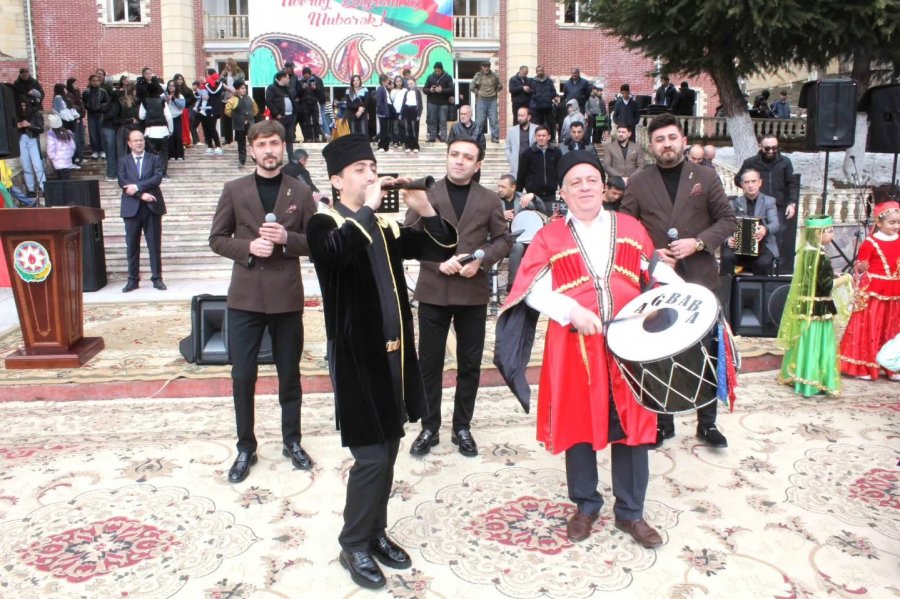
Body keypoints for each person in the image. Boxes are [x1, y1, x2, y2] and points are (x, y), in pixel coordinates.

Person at [495, 150, 677, 548]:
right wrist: (570, 310)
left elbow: (654, 271)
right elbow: (530, 288)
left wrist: (684, 295)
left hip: (629, 346)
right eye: (575, 182)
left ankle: (631, 512)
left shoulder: (630, 227)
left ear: (604, 186)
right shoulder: (550, 236)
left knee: (632, 425)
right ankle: (586, 504)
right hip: (574, 345)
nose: (585, 188)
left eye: (591, 180)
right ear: (562, 192)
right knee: (578, 422)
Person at [307, 134, 457, 591]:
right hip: (357, 359)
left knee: (389, 449)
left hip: (397, 354)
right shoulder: (324, 223)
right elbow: (336, 252)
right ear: (337, 181)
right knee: (371, 457)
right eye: (360, 170)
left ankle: (375, 531)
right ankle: (352, 542)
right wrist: (369, 209)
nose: (371, 175)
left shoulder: (387, 227)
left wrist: (425, 207)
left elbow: (440, 248)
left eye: (373, 168)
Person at [208, 119, 317, 483]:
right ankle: (245, 447)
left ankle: (292, 441)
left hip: (287, 297)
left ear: (284, 147)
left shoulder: (300, 191)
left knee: (290, 375)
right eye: (262, 144)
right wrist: (248, 248)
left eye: (274, 143)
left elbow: (316, 242)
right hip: (246, 298)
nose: (269, 150)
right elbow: (217, 238)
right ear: (252, 150)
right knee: (242, 375)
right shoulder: (234, 190)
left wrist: (288, 239)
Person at [621, 114, 736, 449]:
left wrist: (697, 243)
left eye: (672, 138)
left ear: (683, 141)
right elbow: (626, 229)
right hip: (658, 285)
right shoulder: (638, 181)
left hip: (700, 280)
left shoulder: (705, 177)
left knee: (707, 352)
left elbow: (727, 220)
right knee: (659, 354)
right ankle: (662, 423)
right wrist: (651, 253)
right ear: (651, 146)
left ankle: (707, 423)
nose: (667, 144)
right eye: (660, 140)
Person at [406, 136, 513, 458]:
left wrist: (483, 260)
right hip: (434, 290)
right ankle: (429, 426)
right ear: (447, 157)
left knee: (469, 364)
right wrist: (436, 262)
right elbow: (409, 238)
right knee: (429, 363)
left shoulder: (489, 199)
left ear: (478, 164)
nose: (459, 161)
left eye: (467, 157)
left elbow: (504, 240)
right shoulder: (427, 194)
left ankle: (462, 426)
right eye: (454, 154)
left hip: (472, 291)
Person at [777, 215, 840, 396]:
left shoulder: (805, 251)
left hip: (804, 305)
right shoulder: (821, 256)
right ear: (819, 233)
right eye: (830, 231)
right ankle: (813, 380)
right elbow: (826, 286)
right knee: (816, 342)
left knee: (804, 342)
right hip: (819, 309)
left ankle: (799, 375)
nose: (833, 234)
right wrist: (845, 279)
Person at [839, 201, 900, 380]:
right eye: (892, 222)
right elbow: (859, 268)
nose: (896, 226)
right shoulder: (870, 243)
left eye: (898, 222)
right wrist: (861, 268)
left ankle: (890, 366)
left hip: (895, 292)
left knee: (891, 328)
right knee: (872, 327)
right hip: (874, 292)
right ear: (879, 222)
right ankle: (865, 366)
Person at [739, 135, 799, 273]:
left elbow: (792, 184)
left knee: (774, 237)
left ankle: (770, 270)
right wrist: (752, 190)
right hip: (757, 204)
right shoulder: (751, 162)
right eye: (767, 148)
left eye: (774, 148)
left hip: (778, 205)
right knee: (753, 236)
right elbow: (738, 179)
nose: (771, 151)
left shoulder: (785, 161)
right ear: (760, 147)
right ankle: (751, 267)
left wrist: (792, 203)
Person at [118, 130, 167, 292]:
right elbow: (123, 182)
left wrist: (138, 187)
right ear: (129, 143)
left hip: (152, 208)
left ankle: (157, 278)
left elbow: (157, 178)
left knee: (154, 245)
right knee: (132, 246)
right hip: (131, 208)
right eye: (135, 140)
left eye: (141, 140)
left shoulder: (154, 159)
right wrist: (141, 195)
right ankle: (133, 280)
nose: (139, 143)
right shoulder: (124, 161)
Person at [720, 169, 780, 276]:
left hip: (764, 246)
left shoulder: (769, 201)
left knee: (763, 263)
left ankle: (758, 287)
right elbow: (724, 225)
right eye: (747, 182)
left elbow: (775, 224)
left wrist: (765, 230)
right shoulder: (734, 203)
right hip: (738, 247)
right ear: (742, 185)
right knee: (727, 257)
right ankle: (726, 286)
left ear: (760, 182)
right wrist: (728, 239)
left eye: (753, 181)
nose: (750, 185)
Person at [498, 174, 544, 291]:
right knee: (516, 246)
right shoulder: (493, 200)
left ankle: (516, 285)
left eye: (503, 187)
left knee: (521, 245)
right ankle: (508, 284)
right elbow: (483, 216)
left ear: (513, 187)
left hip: (520, 239)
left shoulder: (523, 199)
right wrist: (500, 215)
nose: (499, 189)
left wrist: (534, 197)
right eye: (499, 186)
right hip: (499, 238)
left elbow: (542, 211)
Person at [516, 126, 561, 214]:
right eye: (539, 136)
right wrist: (518, 195)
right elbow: (521, 175)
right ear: (535, 137)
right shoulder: (527, 154)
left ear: (549, 137)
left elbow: (560, 173)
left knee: (550, 219)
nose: (541, 138)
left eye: (543, 136)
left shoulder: (556, 152)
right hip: (533, 196)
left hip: (551, 195)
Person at [139, 81, 173, 180]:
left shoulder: (144, 101)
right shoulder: (162, 101)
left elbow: (141, 116)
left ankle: (153, 174)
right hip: (163, 130)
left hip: (150, 131)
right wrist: (171, 130)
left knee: (150, 154)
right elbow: (169, 117)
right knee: (163, 153)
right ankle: (163, 173)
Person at [14, 91, 45, 200]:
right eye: (21, 105)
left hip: (32, 139)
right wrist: (17, 126)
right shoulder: (15, 115)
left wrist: (29, 125)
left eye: (24, 105)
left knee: (38, 166)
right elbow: (10, 129)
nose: (23, 107)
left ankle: (43, 187)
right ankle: (31, 190)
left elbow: (41, 129)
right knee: (26, 166)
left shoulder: (35, 113)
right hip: (21, 140)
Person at [224, 79, 258, 168]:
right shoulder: (233, 100)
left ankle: (256, 159)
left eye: (244, 88)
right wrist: (237, 117)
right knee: (241, 144)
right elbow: (227, 111)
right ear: (237, 90)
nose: (244, 90)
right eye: (242, 88)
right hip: (239, 125)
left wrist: (250, 117)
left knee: (253, 142)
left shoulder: (250, 98)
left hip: (250, 124)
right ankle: (242, 161)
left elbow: (255, 110)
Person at [266, 70, 297, 160]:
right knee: (278, 139)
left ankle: (291, 158)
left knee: (290, 138)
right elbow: (268, 101)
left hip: (290, 117)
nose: (288, 80)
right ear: (282, 78)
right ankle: (278, 158)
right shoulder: (272, 88)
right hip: (279, 118)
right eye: (287, 78)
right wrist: (276, 113)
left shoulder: (288, 88)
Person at [471, 61, 501, 143]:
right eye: (485, 66)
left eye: (488, 66)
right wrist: (478, 92)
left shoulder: (494, 76)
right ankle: (476, 138)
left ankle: (495, 137)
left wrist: (495, 91)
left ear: (490, 67)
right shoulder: (478, 76)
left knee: (494, 120)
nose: (486, 68)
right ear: (482, 67)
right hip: (481, 100)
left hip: (492, 100)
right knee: (480, 121)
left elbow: (500, 86)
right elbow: (472, 87)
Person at [423, 62, 453, 143]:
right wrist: (430, 90)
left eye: (438, 71)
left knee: (443, 120)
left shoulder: (448, 77)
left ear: (442, 70)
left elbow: (451, 89)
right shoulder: (430, 77)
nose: (437, 72)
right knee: (432, 120)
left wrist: (442, 90)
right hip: (432, 102)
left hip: (443, 103)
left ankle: (444, 137)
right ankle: (432, 137)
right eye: (435, 71)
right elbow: (424, 89)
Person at [83, 74, 110, 160]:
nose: (95, 82)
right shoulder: (86, 92)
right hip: (91, 114)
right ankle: (95, 150)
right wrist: (88, 106)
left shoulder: (103, 92)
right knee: (93, 132)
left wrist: (101, 107)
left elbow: (107, 102)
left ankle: (103, 150)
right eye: (93, 81)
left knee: (101, 132)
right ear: (90, 82)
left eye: (97, 81)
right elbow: (83, 102)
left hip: (100, 114)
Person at [505, 106, 537, 178]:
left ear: (529, 117)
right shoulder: (512, 131)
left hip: (532, 166)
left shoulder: (536, 129)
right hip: (517, 166)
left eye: (522, 116)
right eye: (518, 115)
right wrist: (511, 158)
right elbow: (507, 147)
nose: (519, 118)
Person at [45, 113, 77, 179]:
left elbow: (50, 148)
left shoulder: (52, 135)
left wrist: (53, 158)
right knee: (67, 178)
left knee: (61, 180)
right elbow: (73, 146)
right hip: (67, 161)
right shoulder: (67, 133)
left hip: (57, 162)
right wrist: (69, 155)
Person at [530, 66, 558, 141]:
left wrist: (548, 97)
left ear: (544, 71)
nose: (540, 72)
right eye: (538, 71)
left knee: (550, 123)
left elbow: (554, 92)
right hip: (537, 107)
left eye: (541, 70)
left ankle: (552, 139)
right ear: (536, 72)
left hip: (548, 106)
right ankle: (535, 139)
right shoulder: (532, 81)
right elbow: (531, 93)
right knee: (537, 124)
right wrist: (537, 97)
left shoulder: (549, 81)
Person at [201, 69, 224, 155]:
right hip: (205, 109)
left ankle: (218, 146)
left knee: (212, 127)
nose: (206, 76)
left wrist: (205, 83)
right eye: (205, 74)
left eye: (207, 74)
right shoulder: (206, 85)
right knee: (206, 128)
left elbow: (213, 91)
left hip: (213, 109)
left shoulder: (219, 83)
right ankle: (209, 146)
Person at [65, 78, 86, 164]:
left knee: (81, 138)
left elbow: (81, 106)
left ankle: (81, 156)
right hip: (74, 120)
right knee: (76, 139)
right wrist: (78, 112)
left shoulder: (78, 93)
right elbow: (72, 107)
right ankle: (76, 156)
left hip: (80, 118)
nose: (77, 85)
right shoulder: (69, 94)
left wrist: (81, 112)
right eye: (75, 84)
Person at [398, 79, 423, 154]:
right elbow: (403, 103)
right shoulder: (406, 92)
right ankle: (408, 146)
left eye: (411, 83)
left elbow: (420, 104)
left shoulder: (418, 92)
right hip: (406, 110)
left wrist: (419, 114)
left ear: (414, 83)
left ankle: (415, 146)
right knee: (407, 129)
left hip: (414, 110)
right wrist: (401, 114)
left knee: (414, 129)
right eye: (408, 84)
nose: (410, 85)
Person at [165, 80, 186, 162]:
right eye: (169, 85)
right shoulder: (164, 95)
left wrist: (174, 99)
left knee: (177, 135)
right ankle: (171, 155)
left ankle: (179, 155)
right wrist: (166, 100)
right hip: (167, 118)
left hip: (176, 117)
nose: (171, 87)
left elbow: (182, 106)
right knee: (170, 136)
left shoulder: (180, 96)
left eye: (173, 86)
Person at [374, 74, 392, 153]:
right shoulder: (380, 89)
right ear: (383, 81)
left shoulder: (385, 89)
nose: (388, 82)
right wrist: (382, 112)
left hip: (386, 112)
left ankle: (386, 147)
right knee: (383, 130)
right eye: (387, 80)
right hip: (383, 113)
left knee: (386, 130)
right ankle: (381, 146)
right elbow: (379, 102)